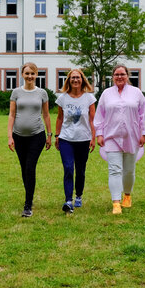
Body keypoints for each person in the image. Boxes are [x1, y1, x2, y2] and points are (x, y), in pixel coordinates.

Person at [94, 65, 145, 215]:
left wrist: (144, 133)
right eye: (117, 74)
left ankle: (127, 195)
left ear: (127, 76)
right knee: (114, 170)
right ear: (112, 76)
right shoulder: (106, 94)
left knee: (129, 171)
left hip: (132, 136)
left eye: (122, 74)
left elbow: (143, 114)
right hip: (111, 136)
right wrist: (99, 133)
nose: (119, 77)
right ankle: (116, 202)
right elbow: (100, 116)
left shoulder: (136, 93)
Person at [8, 62, 52, 217]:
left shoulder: (42, 93)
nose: (30, 76)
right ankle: (29, 197)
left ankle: (28, 205)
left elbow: (46, 115)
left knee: (29, 168)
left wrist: (49, 135)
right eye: (27, 73)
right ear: (22, 74)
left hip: (37, 136)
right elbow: (12, 115)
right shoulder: (16, 92)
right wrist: (9, 136)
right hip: (18, 136)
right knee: (23, 169)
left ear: (36, 75)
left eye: (32, 74)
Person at [54, 69, 96, 213]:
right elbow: (59, 118)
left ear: (82, 80)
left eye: (78, 77)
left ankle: (78, 195)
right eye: (72, 78)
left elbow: (92, 119)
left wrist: (93, 137)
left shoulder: (89, 98)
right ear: (68, 80)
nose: (75, 80)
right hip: (66, 138)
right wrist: (57, 135)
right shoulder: (63, 98)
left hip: (83, 139)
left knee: (81, 170)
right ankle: (68, 200)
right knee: (68, 168)